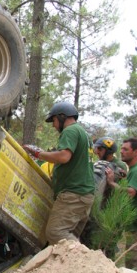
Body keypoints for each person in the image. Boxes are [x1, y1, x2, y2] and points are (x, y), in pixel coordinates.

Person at [23, 101, 95, 245]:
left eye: (54, 120)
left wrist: (39, 154)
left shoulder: (71, 131)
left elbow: (63, 157)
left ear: (62, 117)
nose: (54, 125)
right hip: (84, 194)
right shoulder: (83, 134)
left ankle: (85, 259)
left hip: (73, 194)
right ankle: (76, 265)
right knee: (70, 236)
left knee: (56, 232)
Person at [106, 138, 137, 268]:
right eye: (121, 148)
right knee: (135, 259)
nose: (121, 151)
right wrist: (125, 177)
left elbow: (130, 193)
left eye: (125, 149)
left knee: (135, 262)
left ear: (136, 152)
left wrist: (112, 183)